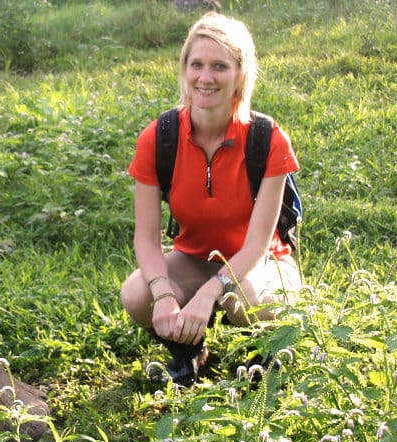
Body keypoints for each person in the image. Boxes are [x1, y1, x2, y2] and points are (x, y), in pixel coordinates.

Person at [120, 12, 302, 386]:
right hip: (194, 257)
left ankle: (265, 355)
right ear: (184, 69)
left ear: (240, 73)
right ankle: (189, 350)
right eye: (196, 64)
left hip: (259, 263)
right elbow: (146, 238)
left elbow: (255, 245)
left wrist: (208, 294)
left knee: (246, 300)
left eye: (220, 66)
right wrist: (164, 293)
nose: (206, 77)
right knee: (137, 293)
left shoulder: (267, 139)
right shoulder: (159, 138)